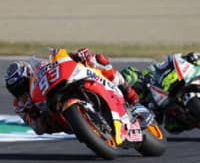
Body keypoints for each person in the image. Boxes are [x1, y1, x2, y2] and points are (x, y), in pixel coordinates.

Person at [5, 48, 138, 135]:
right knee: (46, 124)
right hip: (58, 112)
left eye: (22, 87)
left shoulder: (40, 67)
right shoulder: (20, 105)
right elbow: (36, 128)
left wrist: (77, 55)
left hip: (66, 79)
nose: (22, 93)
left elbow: (61, 59)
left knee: (98, 60)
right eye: (17, 91)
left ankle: (129, 93)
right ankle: (85, 125)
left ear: (30, 74)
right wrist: (35, 114)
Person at [121, 52, 200, 133]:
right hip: (170, 108)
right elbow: (157, 121)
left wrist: (190, 58)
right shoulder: (135, 104)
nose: (135, 90)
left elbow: (162, 67)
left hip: (173, 88)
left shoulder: (147, 73)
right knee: (171, 126)